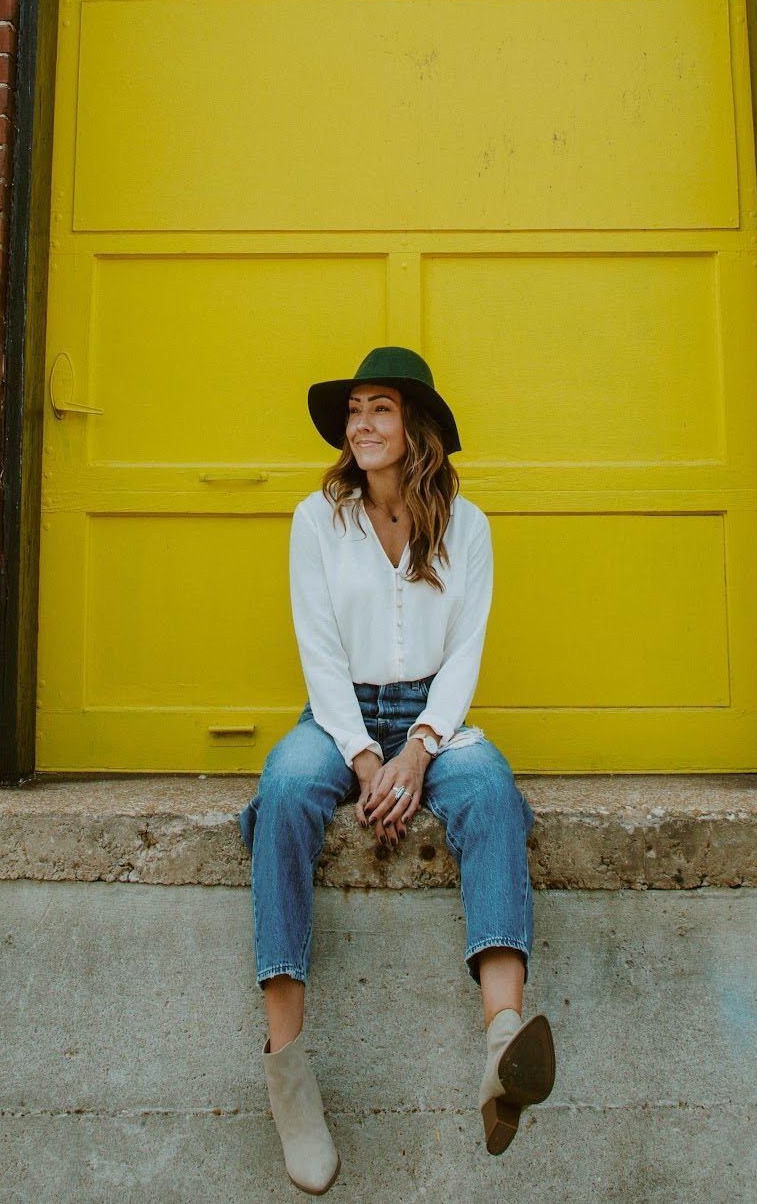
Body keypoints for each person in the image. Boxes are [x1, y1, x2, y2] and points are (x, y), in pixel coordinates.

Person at [237, 346, 555, 1194]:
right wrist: (367, 755)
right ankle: (288, 1072)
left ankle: (503, 1047)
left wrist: (417, 749)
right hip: (339, 712)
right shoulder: (318, 518)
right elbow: (319, 647)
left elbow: (463, 654)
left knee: (490, 789)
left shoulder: (470, 526)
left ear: (417, 429)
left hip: (432, 720)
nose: (362, 425)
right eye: (354, 412)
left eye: (380, 408)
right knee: (285, 792)